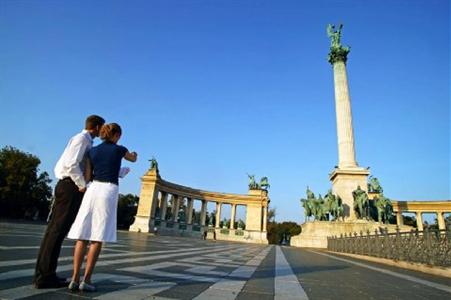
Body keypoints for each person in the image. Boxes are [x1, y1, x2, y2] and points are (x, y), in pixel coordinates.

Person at [32, 115, 105, 289]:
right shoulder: (81, 140)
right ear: (95, 127)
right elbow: (72, 165)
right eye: (101, 128)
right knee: (56, 231)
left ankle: (46, 274)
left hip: (69, 186)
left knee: (56, 231)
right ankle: (44, 276)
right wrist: (82, 185)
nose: (102, 131)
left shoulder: (84, 140)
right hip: (70, 187)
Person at [66, 123, 137, 292]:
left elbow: (89, 175)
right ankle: (87, 280)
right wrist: (134, 155)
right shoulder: (119, 149)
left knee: (82, 236)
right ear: (117, 135)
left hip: (92, 189)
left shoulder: (92, 151)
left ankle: (74, 278)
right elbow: (132, 159)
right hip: (108, 189)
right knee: (97, 237)